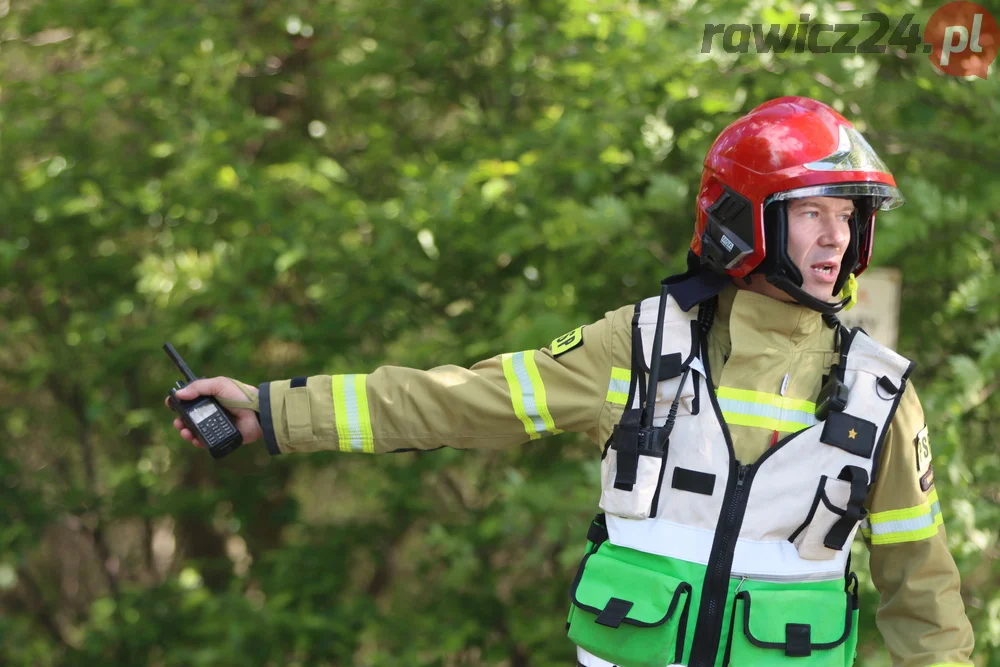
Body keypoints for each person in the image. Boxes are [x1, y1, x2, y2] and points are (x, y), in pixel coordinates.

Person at [166, 96, 974, 667]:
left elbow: (924, 600)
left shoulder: (881, 394)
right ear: (743, 219)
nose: (836, 238)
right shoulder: (638, 342)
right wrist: (271, 412)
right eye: (811, 213)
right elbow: (454, 399)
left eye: (847, 216)